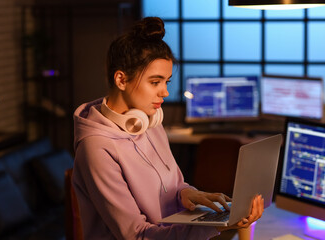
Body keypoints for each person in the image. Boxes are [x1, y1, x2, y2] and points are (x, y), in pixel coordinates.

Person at [72, 16, 264, 240]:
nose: (164, 92)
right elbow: (137, 236)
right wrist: (218, 226)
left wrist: (188, 193)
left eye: (167, 81)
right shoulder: (96, 148)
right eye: (155, 82)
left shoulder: (149, 121)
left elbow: (173, 185)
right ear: (121, 80)